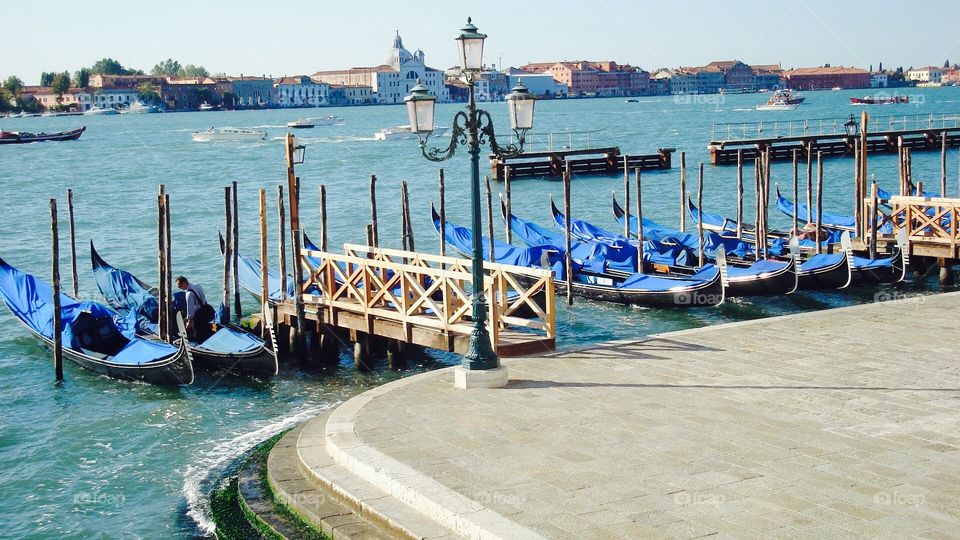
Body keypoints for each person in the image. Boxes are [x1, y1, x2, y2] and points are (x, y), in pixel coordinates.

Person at [175, 276, 214, 343]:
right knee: (205, 326)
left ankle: (201, 343)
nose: (179, 288)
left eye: (179, 286)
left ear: (184, 283)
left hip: (200, 313)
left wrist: (189, 321)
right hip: (207, 308)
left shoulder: (188, 294)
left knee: (199, 331)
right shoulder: (197, 285)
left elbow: (191, 309)